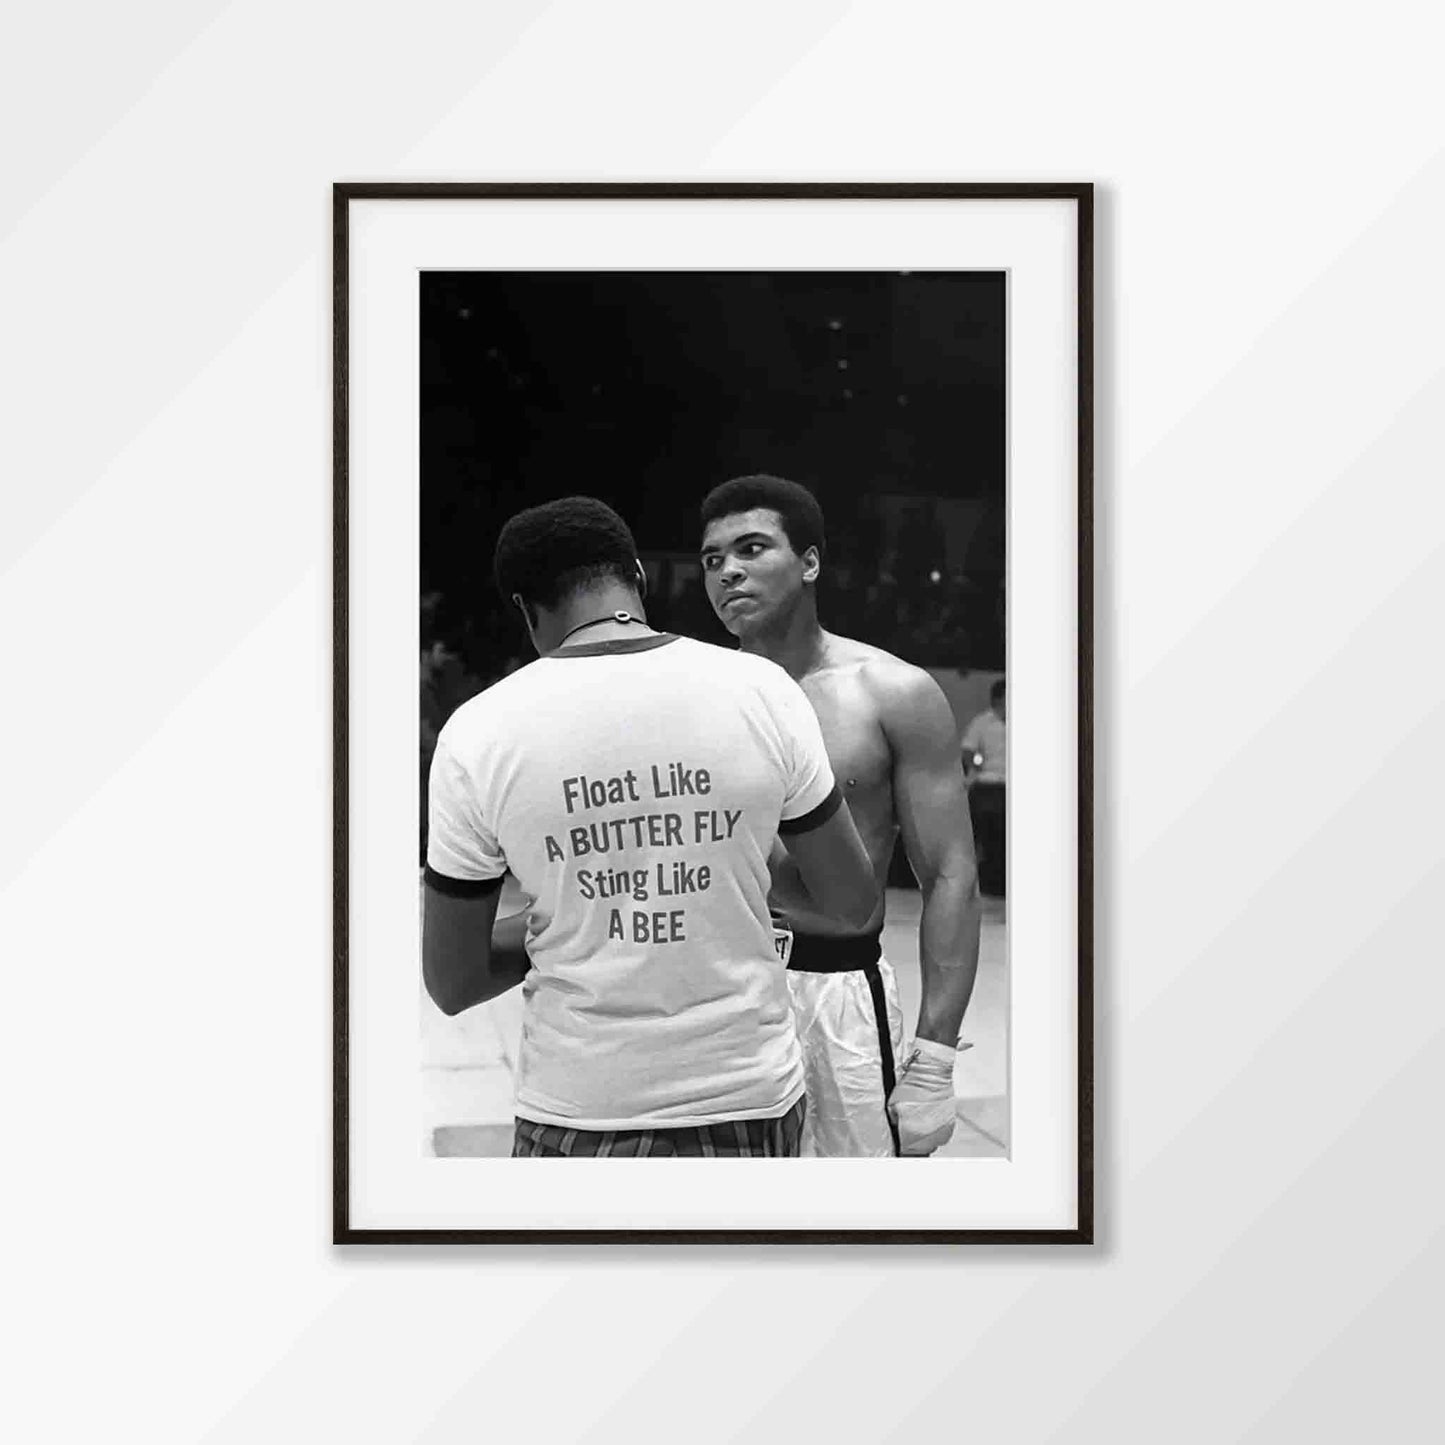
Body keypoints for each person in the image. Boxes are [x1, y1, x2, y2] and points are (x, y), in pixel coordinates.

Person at [423, 496, 879, 1158]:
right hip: (749, 1097)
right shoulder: (762, 690)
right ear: (636, 575)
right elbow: (852, 901)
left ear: (525, 609)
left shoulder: (477, 732)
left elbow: (453, 980)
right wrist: (709, 877)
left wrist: (578, 910)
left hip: (577, 1111)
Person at [699, 476, 983, 1158]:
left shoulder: (893, 692)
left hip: (837, 992)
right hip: (719, 990)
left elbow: (950, 873)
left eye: (751, 548)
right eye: (711, 559)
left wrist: (935, 1056)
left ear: (809, 562)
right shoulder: (691, 697)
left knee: (852, 1212)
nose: (727, 570)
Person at [960, 678, 1006, 898]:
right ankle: (985, 880)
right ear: (998, 700)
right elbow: (968, 750)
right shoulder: (982, 722)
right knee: (985, 832)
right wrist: (975, 765)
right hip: (988, 782)